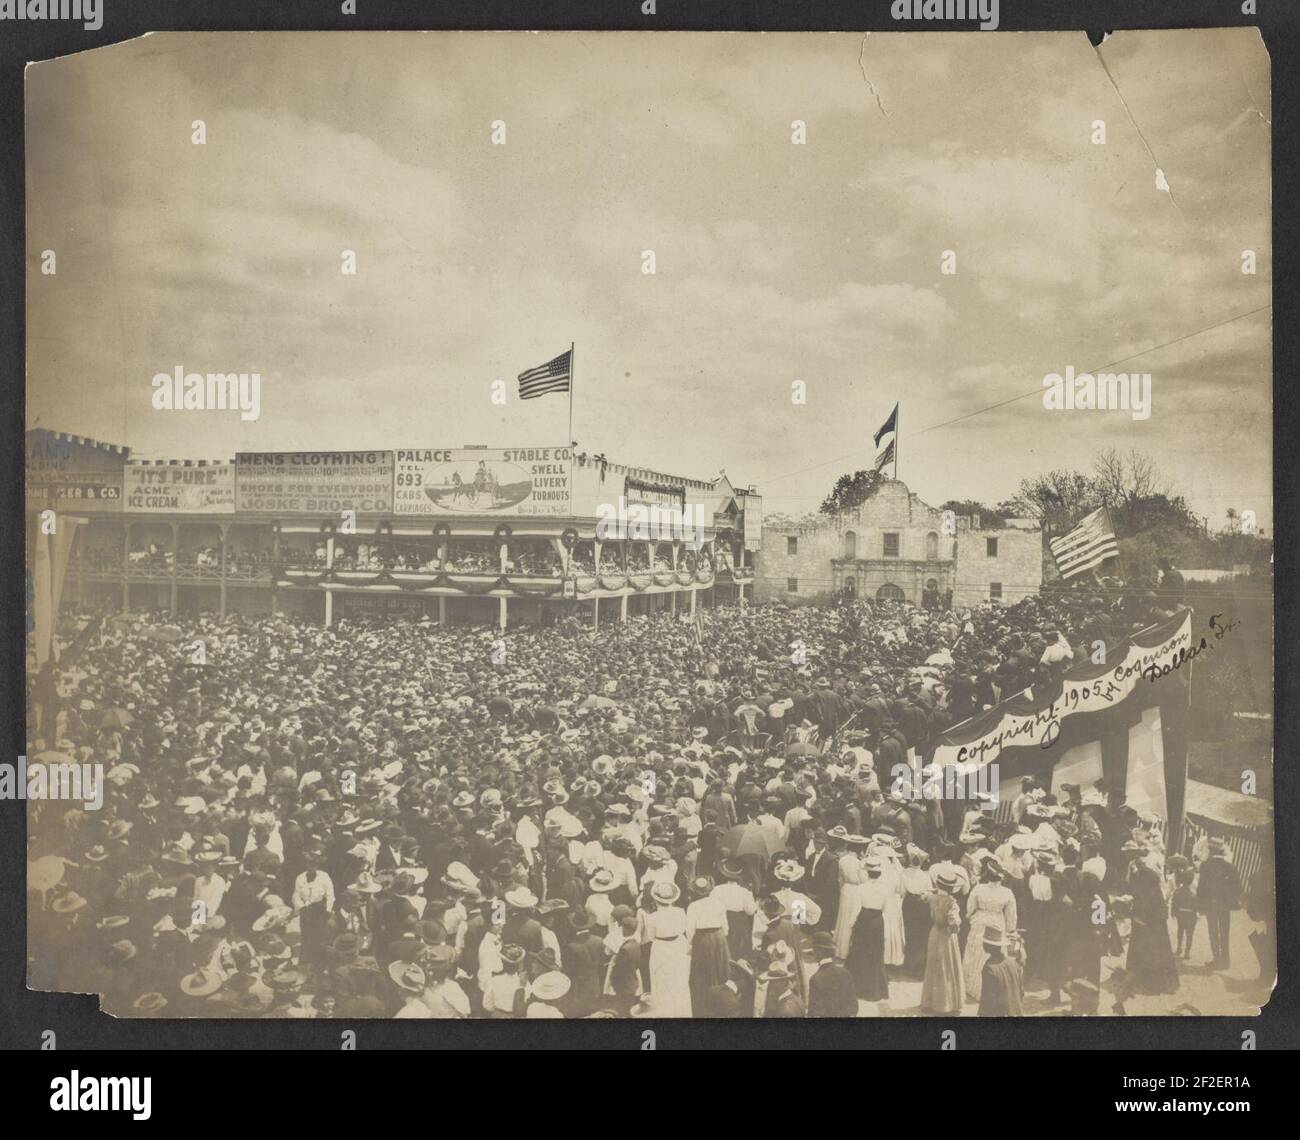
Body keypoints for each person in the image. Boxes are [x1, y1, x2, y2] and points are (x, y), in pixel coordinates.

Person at [963, 861, 1017, 1002]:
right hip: (997, 921)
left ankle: (973, 987)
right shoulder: (1007, 892)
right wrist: (1010, 929)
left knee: (976, 952)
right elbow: (1011, 915)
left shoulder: (978, 889)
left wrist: (970, 917)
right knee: (994, 951)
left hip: (980, 920)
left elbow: (970, 908)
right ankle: (992, 988)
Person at [643, 881, 692, 1016]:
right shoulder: (680, 912)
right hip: (679, 945)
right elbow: (685, 929)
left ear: (656, 900)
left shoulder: (652, 917)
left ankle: (664, 1013)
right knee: (679, 980)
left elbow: (651, 936)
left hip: (661, 948)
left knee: (661, 982)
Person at [920, 871, 964, 1013]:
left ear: (938, 884)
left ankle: (930, 1001)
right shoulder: (951, 902)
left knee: (934, 965)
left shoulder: (932, 898)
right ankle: (946, 1003)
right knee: (948, 966)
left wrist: (934, 890)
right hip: (947, 935)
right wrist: (955, 926)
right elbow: (954, 923)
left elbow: (924, 895)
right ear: (951, 888)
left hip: (935, 932)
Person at [1197, 838, 1240, 969]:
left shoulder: (1205, 866)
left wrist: (1200, 904)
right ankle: (1225, 961)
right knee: (1224, 931)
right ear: (1222, 851)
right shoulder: (1229, 866)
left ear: (1210, 850)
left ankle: (1216, 959)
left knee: (1213, 931)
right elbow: (1238, 887)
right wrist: (1230, 899)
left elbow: (1201, 887)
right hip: (1224, 904)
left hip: (1210, 903)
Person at [806, 931, 857, 1017]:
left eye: (813, 951)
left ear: (819, 953)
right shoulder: (846, 973)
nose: (813, 954)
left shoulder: (815, 979)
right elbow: (854, 1006)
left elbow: (814, 1012)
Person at [977, 928, 1023, 1016]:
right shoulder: (1013, 962)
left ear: (987, 945)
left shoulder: (989, 968)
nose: (982, 944)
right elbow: (1021, 992)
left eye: (984, 942)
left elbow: (989, 1000)